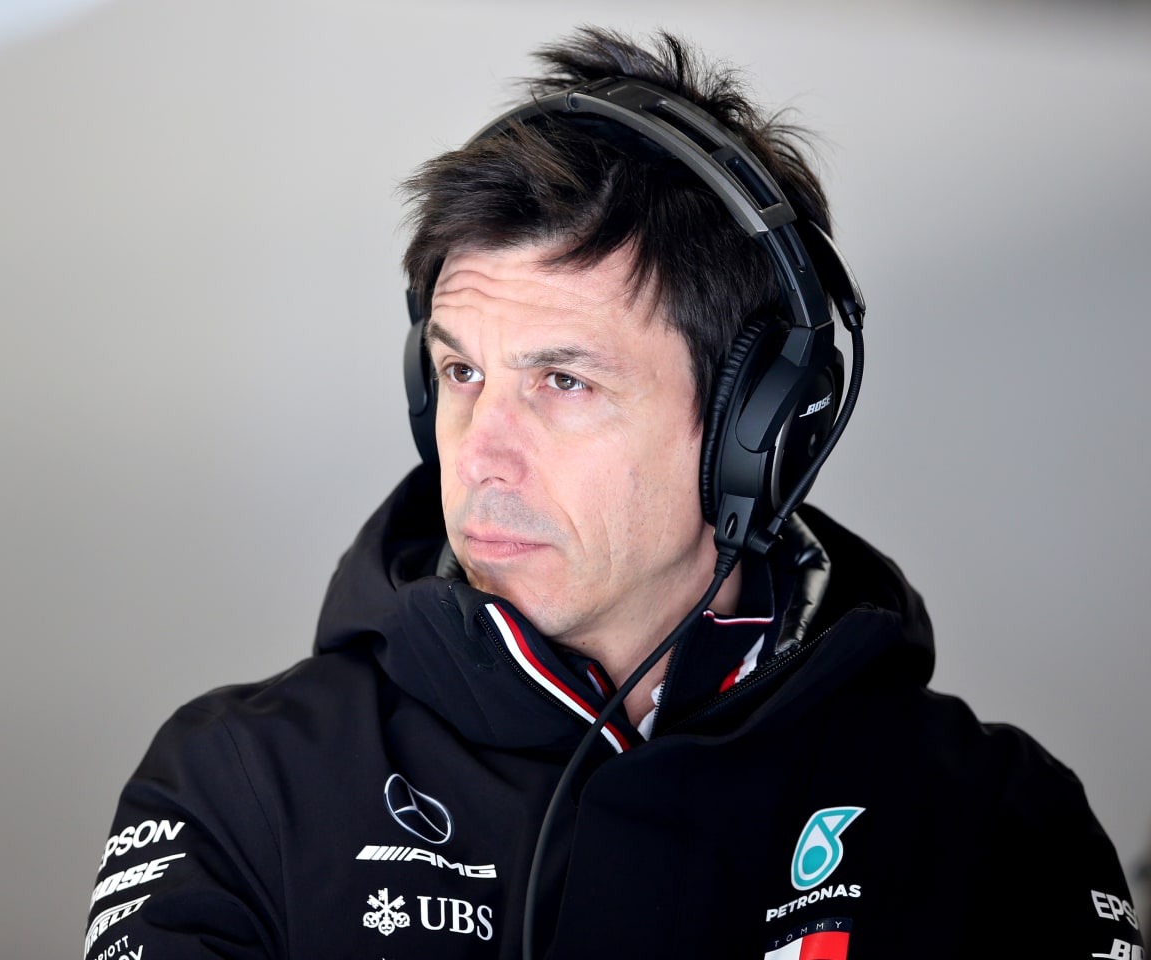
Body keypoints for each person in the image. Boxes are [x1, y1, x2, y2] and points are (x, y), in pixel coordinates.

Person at [83, 28, 1142, 960]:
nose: (480, 453)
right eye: (461, 374)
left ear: (754, 436)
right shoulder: (237, 783)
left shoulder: (995, 819)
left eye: (563, 381)